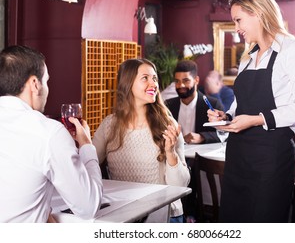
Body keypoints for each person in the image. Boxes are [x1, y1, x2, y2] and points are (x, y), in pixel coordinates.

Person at [207, 0, 295, 223]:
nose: (236, 29)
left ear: (258, 12)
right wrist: (225, 117)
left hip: (270, 160)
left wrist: (259, 119)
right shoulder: (248, 58)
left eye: (238, 20)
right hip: (237, 157)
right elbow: (240, 106)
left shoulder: (294, 51)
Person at [0, 45, 103, 223]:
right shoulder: (49, 132)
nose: (47, 89)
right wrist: (87, 146)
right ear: (34, 84)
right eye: (46, 81)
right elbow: (88, 207)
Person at [92, 58, 190, 223]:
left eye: (154, 78)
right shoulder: (110, 125)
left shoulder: (168, 124)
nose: (153, 84)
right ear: (128, 83)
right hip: (124, 215)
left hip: (162, 214)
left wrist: (170, 152)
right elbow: (88, 165)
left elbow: (180, 186)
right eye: (145, 78)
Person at [165, 60, 224, 144]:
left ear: (196, 80)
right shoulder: (168, 105)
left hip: (201, 156)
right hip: (174, 154)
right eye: (177, 81)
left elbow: (225, 133)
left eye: (186, 81)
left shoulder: (213, 104)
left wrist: (202, 137)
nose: (181, 85)